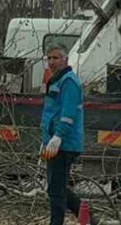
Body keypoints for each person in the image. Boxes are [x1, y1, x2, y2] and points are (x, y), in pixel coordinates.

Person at [41, 44, 90, 225]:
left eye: (55, 58)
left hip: (64, 143)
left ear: (65, 60)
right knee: (57, 187)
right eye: (49, 58)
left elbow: (68, 114)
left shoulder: (69, 82)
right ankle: (89, 219)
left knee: (56, 190)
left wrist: (58, 136)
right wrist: (46, 139)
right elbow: (51, 113)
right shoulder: (56, 80)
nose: (51, 62)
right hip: (54, 142)